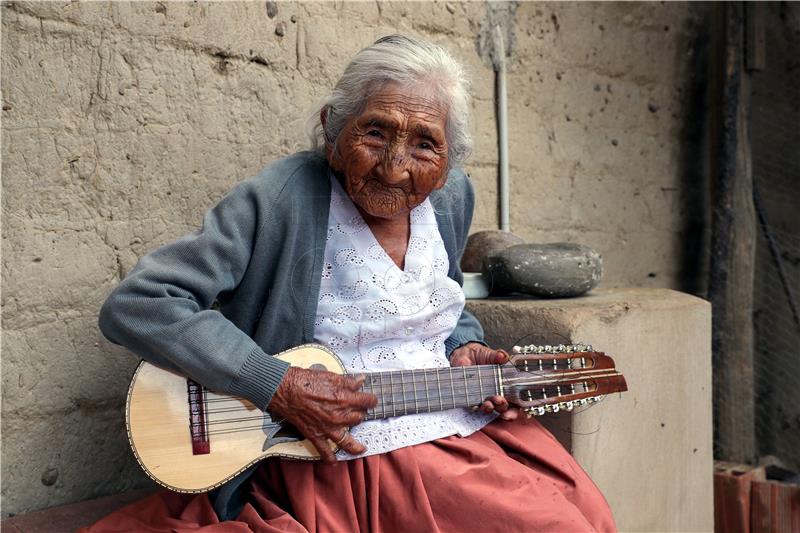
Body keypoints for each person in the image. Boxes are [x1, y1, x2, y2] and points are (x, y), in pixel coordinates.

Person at [86, 35, 616, 532]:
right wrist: (275, 383)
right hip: (346, 447)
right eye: (375, 132)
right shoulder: (282, 198)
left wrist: (465, 344)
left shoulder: (452, 197)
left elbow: (441, 300)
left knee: (586, 508)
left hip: (449, 414)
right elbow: (140, 304)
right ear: (333, 132)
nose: (393, 167)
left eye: (424, 145)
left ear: (449, 161)